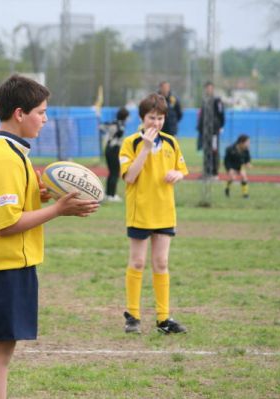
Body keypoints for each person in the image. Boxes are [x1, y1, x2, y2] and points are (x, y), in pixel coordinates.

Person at [0, 74, 99, 399]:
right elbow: (6, 223)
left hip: (5, 263)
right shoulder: (4, 157)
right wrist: (59, 210)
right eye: (40, 111)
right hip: (1, 264)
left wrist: (39, 196)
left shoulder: (4, 149)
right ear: (20, 113)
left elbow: (6, 203)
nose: (45, 119)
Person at [119, 93, 189, 334]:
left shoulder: (171, 142)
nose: (156, 123)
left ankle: (163, 319)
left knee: (161, 263)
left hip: (164, 211)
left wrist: (177, 175)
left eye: (160, 118)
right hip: (140, 211)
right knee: (138, 261)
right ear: (142, 117)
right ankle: (133, 316)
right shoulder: (131, 143)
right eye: (151, 117)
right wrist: (146, 149)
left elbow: (181, 170)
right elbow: (130, 176)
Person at [197, 81, 225, 178]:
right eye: (207, 88)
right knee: (206, 150)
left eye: (210, 88)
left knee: (214, 150)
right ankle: (206, 172)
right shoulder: (205, 100)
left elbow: (221, 114)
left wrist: (220, 126)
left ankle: (214, 172)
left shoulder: (217, 101)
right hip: (205, 131)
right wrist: (200, 128)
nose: (208, 90)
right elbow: (202, 116)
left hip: (214, 131)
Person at [101, 107, 129, 202]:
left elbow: (102, 127)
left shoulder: (112, 122)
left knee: (111, 172)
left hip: (108, 148)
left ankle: (108, 194)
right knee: (115, 172)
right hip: (114, 149)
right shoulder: (120, 124)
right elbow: (119, 134)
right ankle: (112, 195)